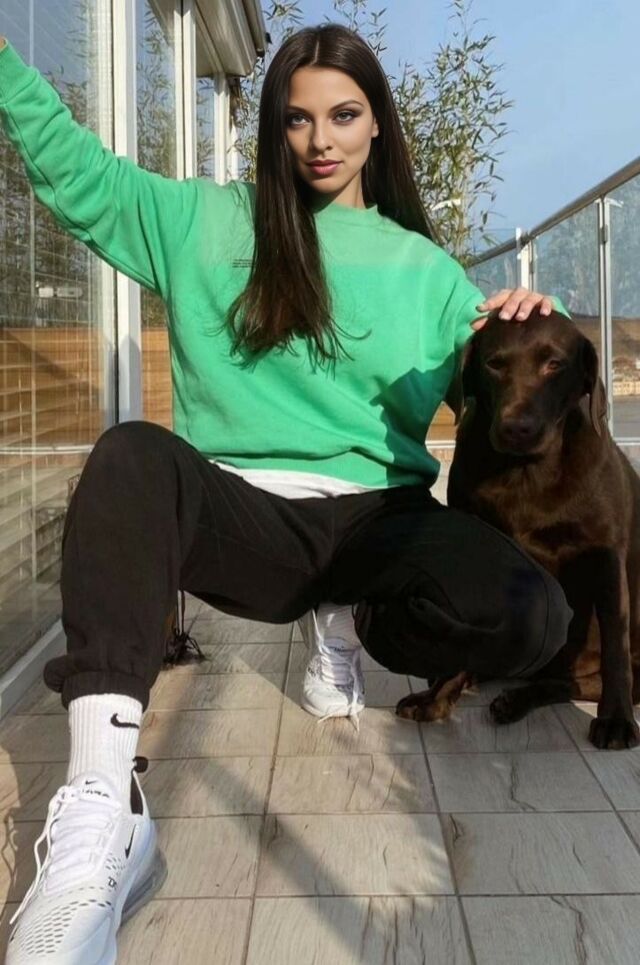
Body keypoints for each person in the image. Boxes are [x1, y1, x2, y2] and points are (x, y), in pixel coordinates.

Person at [0, 22, 572, 965]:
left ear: (377, 125)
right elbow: (77, 174)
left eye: (343, 115)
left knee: (532, 616)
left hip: (377, 520)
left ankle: (359, 621)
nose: (320, 140)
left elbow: (503, 386)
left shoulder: (426, 271)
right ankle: (104, 818)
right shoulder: (201, 222)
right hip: (244, 514)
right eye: (297, 118)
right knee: (130, 457)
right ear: (273, 127)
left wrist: (526, 322)